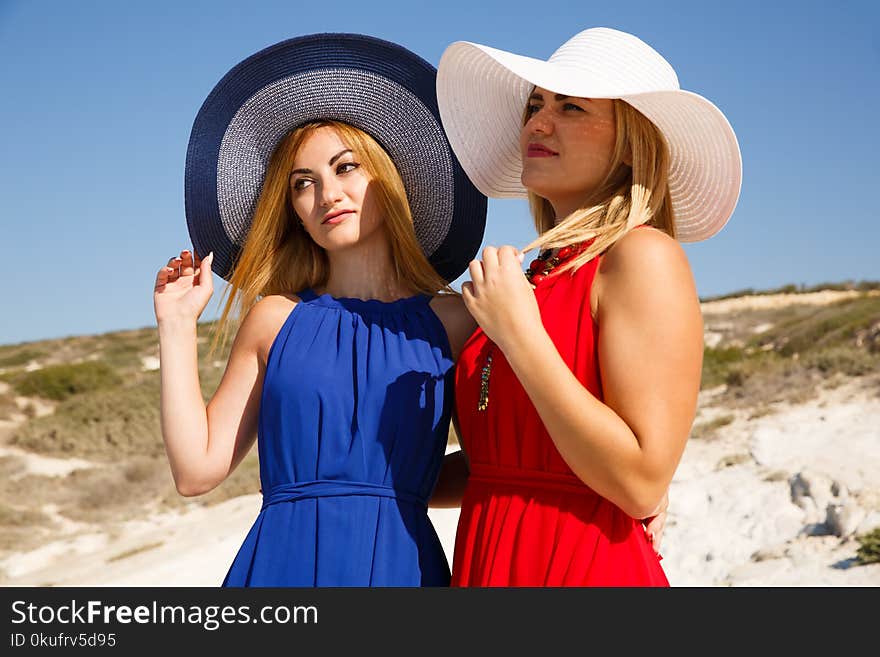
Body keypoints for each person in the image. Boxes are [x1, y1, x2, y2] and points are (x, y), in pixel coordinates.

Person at [153, 33, 486, 586]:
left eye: (346, 167)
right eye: (303, 184)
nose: (326, 193)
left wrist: (400, 484)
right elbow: (195, 471)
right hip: (281, 570)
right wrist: (177, 325)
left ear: (391, 177)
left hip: (401, 566)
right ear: (295, 214)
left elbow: (496, 465)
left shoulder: (459, 321)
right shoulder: (275, 318)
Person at [433, 27, 742, 585]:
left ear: (631, 144)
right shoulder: (537, 279)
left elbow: (641, 481)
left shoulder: (642, 255)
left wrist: (519, 334)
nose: (538, 123)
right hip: (491, 558)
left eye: (570, 107)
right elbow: (502, 466)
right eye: (535, 104)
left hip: (583, 564)